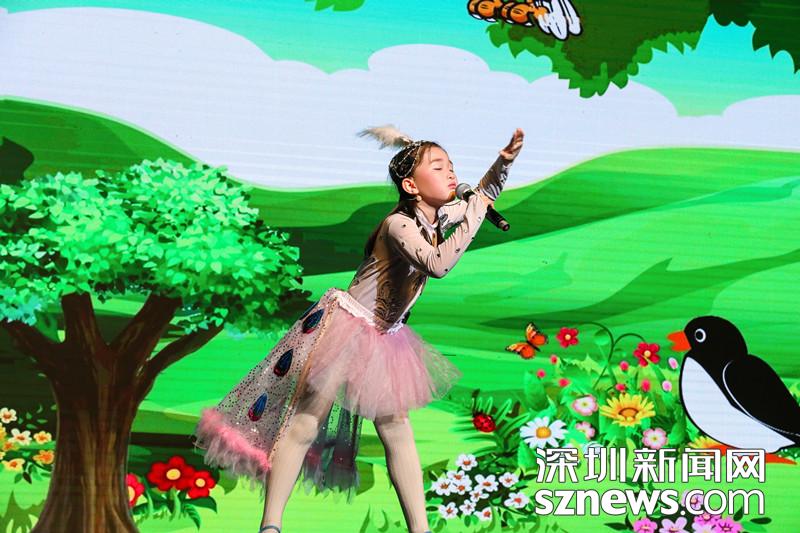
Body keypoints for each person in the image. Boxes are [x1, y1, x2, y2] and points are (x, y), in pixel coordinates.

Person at [193, 126, 524, 533]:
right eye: (438, 167)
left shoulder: (438, 216)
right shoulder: (398, 225)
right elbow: (438, 263)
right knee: (307, 420)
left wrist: (503, 163)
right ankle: (271, 525)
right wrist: (474, 210)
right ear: (411, 185)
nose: (452, 173)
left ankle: (420, 529)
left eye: (452, 166)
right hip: (347, 326)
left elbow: (483, 195)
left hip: (386, 337)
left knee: (396, 427)